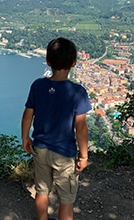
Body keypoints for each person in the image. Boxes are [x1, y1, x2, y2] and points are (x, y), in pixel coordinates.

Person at [21, 37, 92, 220]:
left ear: (48, 61)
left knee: (41, 191)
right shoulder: (78, 92)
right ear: (74, 63)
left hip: (41, 149)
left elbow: (28, 114)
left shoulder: (38, 85)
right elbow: (81, 127)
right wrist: (84, 156)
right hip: (65, 153)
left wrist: (25, 137)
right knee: (66, 199)